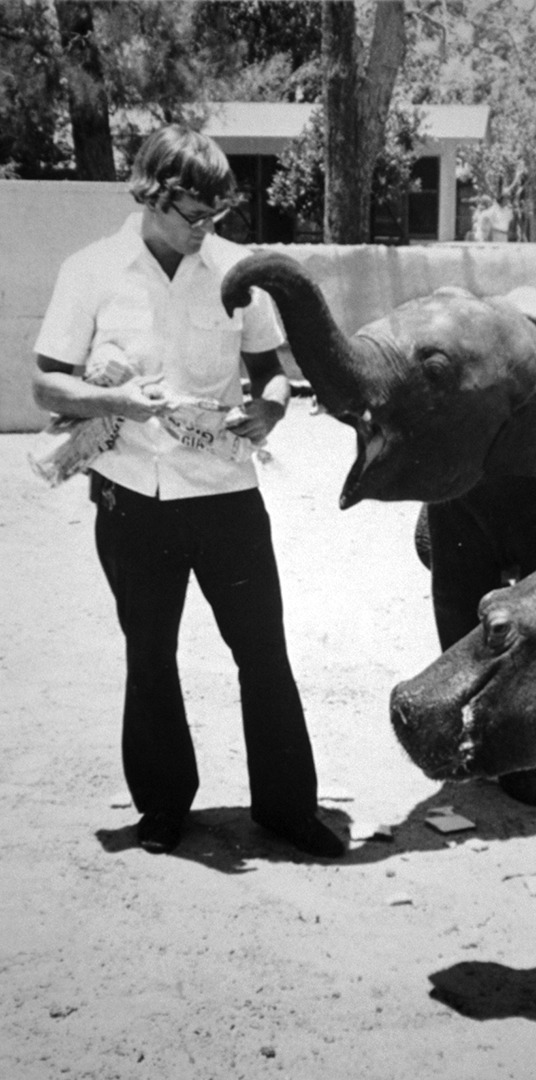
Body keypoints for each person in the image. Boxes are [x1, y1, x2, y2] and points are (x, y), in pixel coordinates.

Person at [32, 124, 345, 859]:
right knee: (150, 655)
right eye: (190, 215)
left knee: (263, 651)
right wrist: (114, 405)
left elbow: (272, 371)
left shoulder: (235, 271)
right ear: (150, 193)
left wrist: (268, 406)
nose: (203, 230)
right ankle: (164, 809)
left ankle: (288, 809)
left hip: (226, 492)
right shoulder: (92, 270)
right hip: (131, 495)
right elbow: (48, 378)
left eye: (215, 216)